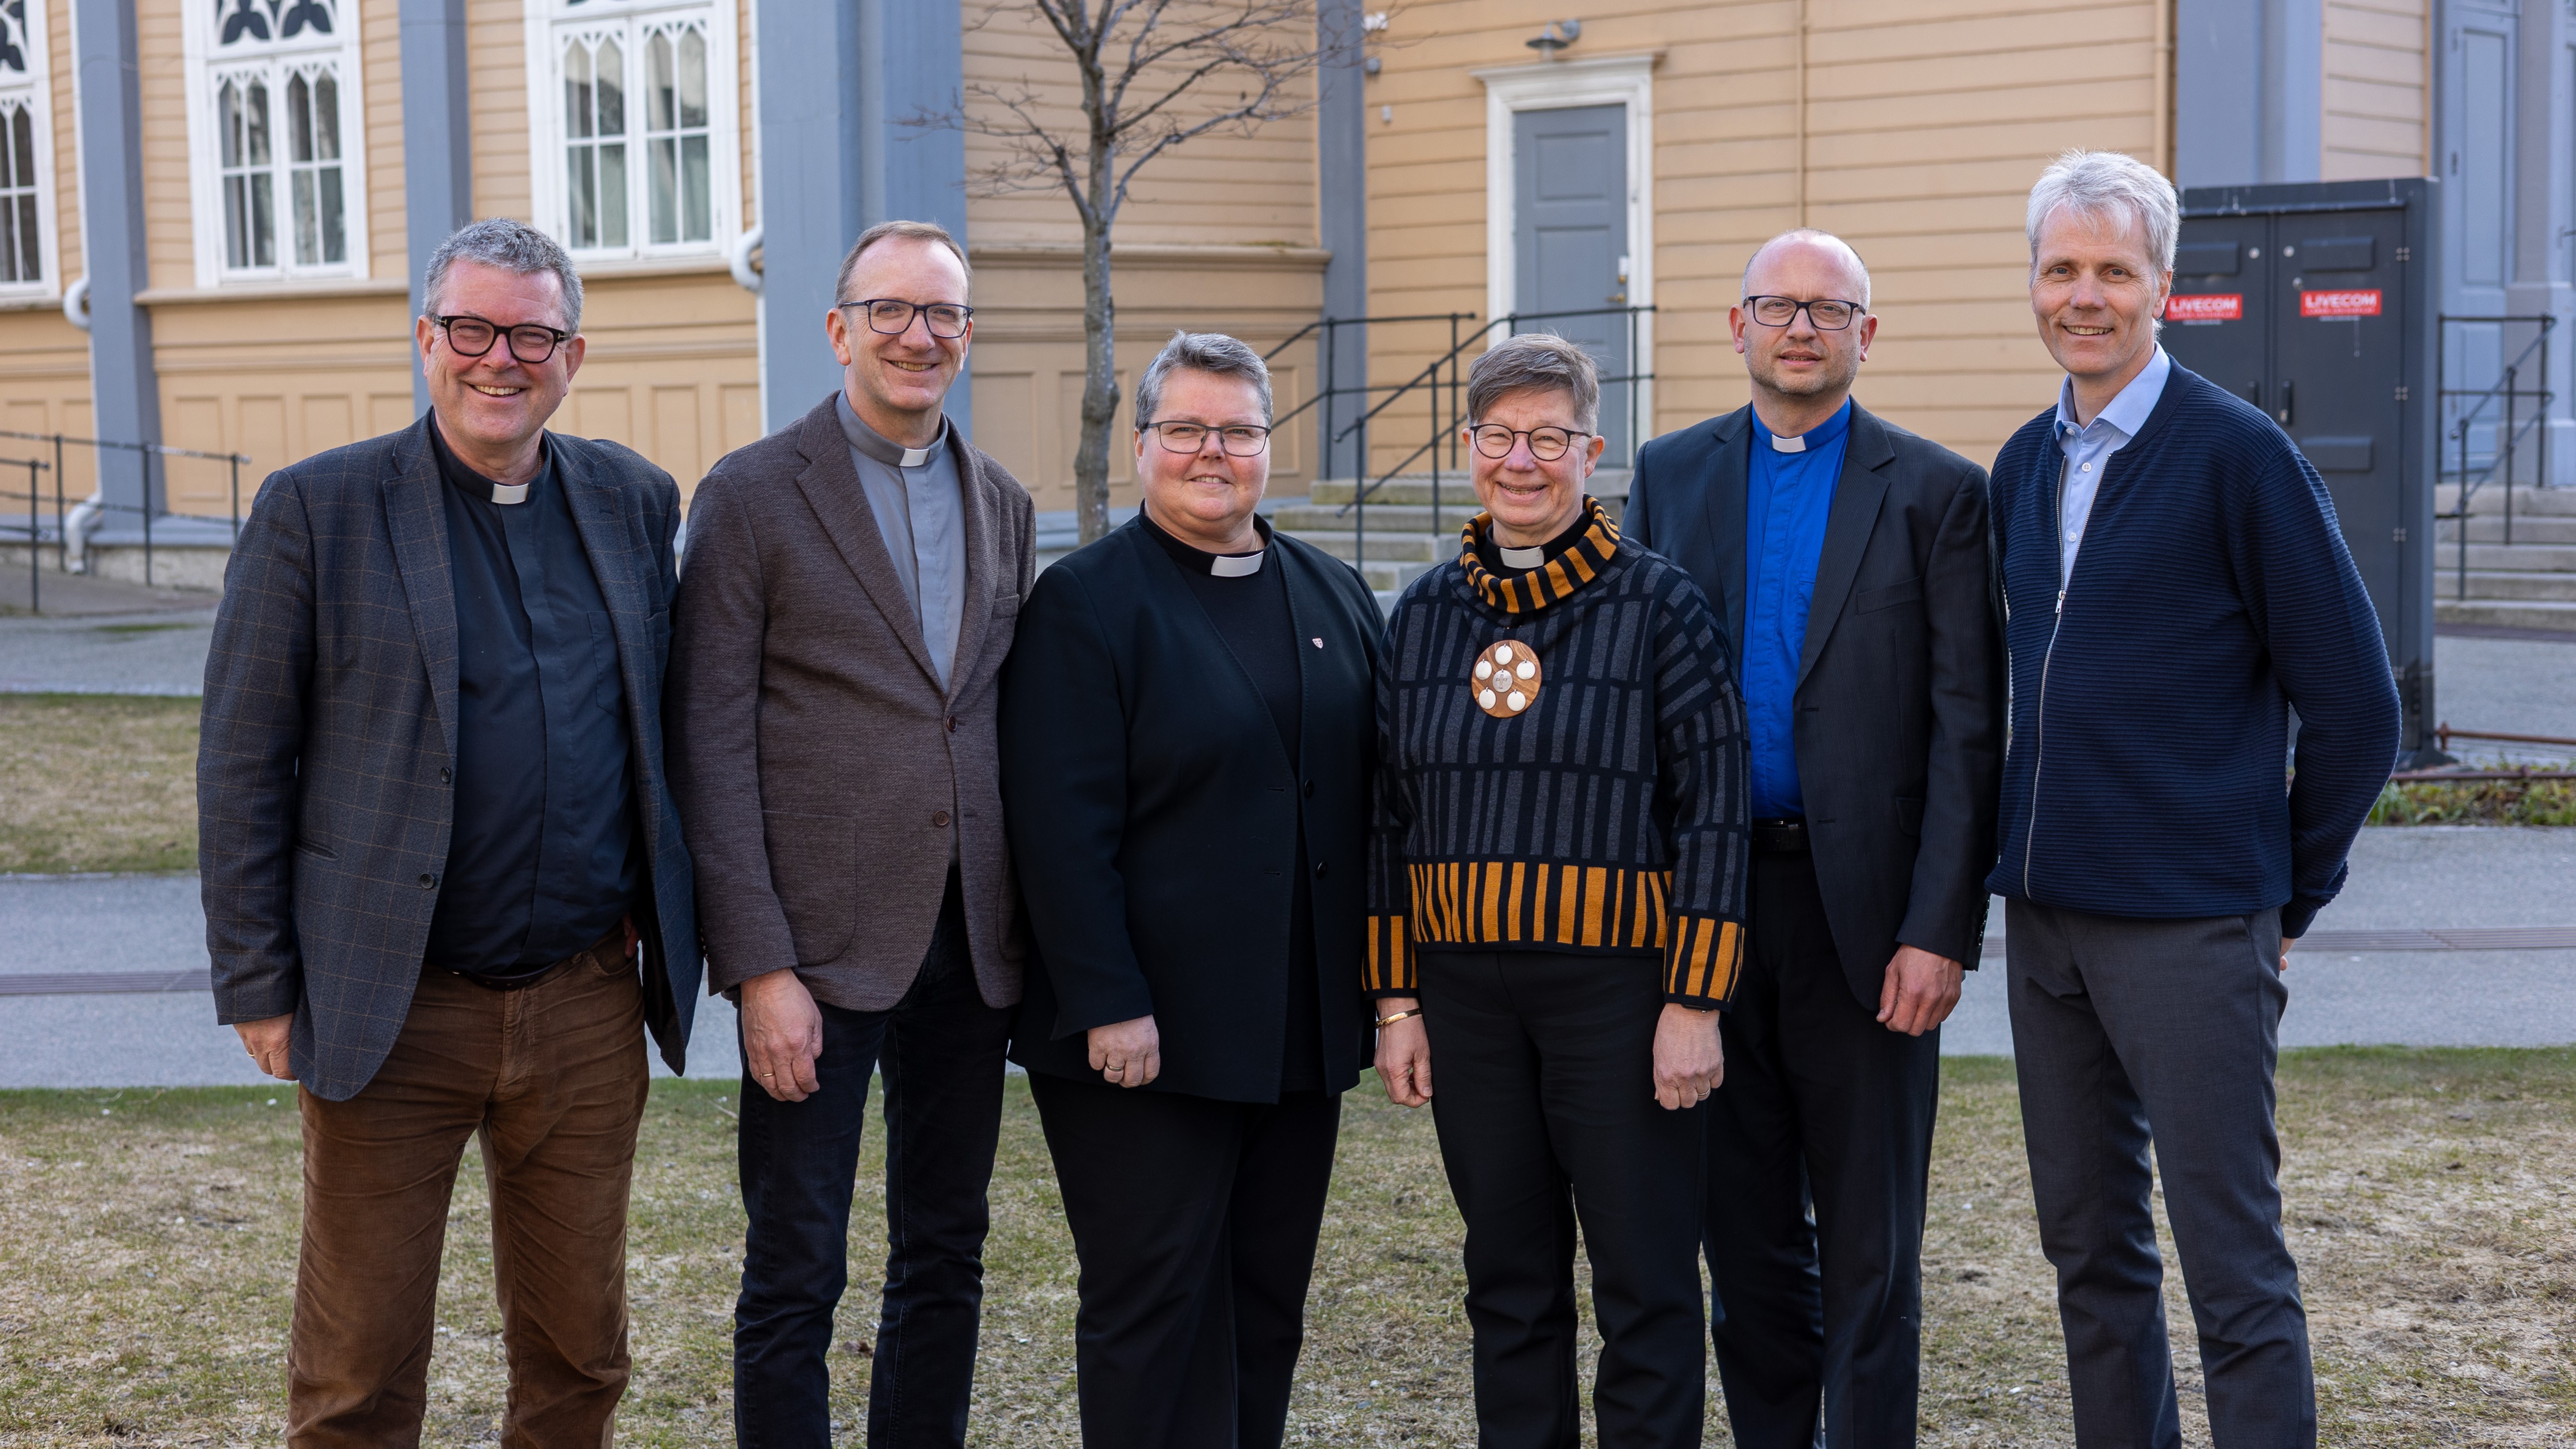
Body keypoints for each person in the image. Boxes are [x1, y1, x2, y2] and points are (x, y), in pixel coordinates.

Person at [200, 217, 700, 1446]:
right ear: (427, 340)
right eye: (471, 329)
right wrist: (260, 983)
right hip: (391, 1003)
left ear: (572, 356)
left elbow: (664, 722)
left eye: (531, 334)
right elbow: (242, 760)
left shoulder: (635, 502)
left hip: (584, 1000)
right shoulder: (318, 509)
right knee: (359, 1370)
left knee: (580, 1355)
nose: (500, 359)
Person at [1992, 150, 2400, 1449]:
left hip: (2187, 928)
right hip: (2045, 930)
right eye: (2061, 268)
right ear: (2035, 285)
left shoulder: (2240, 457)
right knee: (2089, 1259)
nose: (2084, 295)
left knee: (2230, 1270)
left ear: (2162, 285)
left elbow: (2354, 707)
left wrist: (2291, 882)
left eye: (2112, 269)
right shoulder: (2021, 463)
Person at [1623, 229, 2005, 1447]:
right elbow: (1633, 701)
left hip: (1869, 926)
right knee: (1741, 1237)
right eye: (1777, 306)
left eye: (1829, 310)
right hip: (1710, 915)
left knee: (1871, 1242)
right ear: (1735, 326)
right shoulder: (1667, 474)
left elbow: (1966, 731)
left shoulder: (1939, 492)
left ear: (1866, 335)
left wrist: (1939, 928)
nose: (1801, 328)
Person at [667, 219, 1036, 1449]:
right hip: (813, 954)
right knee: (795, 1265)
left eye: (942, 315)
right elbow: (707, 748)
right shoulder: (753, 496)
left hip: (970, 944)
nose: (917, 335)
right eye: (891, 310)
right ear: (838, 330)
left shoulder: (1005, 502)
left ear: (966, 337)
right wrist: (756, 967)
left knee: (947, 1248)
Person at [998, 330, 1382, 1449]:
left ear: (1269, 446)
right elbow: (1060, 830)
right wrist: (1108, 998)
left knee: (1265, 1306)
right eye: (1185, 430)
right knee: (1152, 1308)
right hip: (1143, 1039)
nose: (1212, 452)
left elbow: (1370, 802)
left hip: (1296, 1031)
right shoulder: (1083, 606)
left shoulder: (1333, 589)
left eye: (1239, 431)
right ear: (1140, 444)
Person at [1368, 332, 1751, 1449]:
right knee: (1507, 1276)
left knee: (1644, 1284)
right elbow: (1387, 817)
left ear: (1593, 452)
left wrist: (1696, 1002)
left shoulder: (1658, 608)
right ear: (1469, 448)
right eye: (1497, 437)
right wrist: (1397, 1002)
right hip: (1466, 1001)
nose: (1520, 462)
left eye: (1548, 438)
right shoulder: (1426, 613)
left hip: (1623, 1001)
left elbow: (1715, 812)